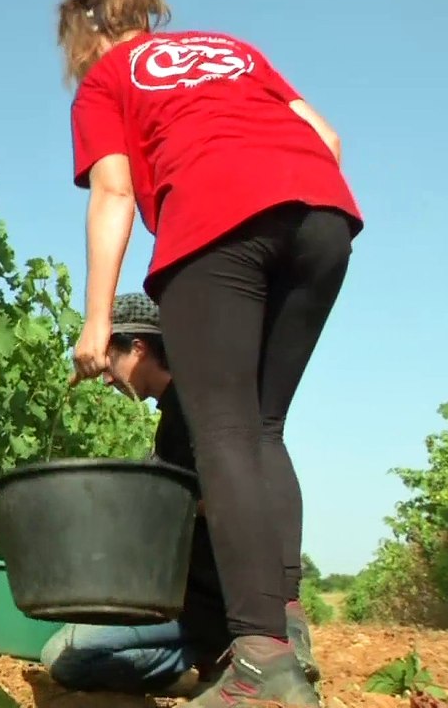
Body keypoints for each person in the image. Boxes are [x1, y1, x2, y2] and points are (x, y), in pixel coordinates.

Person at [57, 0, 362, 705]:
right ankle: (285, 629)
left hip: (215, 221)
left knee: (222, 434)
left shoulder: (106, 80)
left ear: (87, 33)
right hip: (322, 215)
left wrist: (97, 319)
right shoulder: (232, 49)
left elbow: (114, 192)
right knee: (263, 428)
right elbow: (327, 138)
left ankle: (260, 663)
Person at [40, 294, 321, 699]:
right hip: (187, 602)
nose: (106, 379)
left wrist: (156, 510)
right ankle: (213, 667)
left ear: (138, 348)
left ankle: (224, 657)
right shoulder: (178, 413)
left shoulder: (195, 414)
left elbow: (227, 497)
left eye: (110, 360)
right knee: (66, 650)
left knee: (64, 656)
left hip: (206, 604)